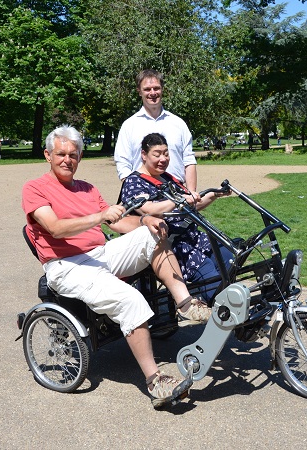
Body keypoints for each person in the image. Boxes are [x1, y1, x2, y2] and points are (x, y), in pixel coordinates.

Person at [21, 125, 211, 406]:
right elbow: (56, 228)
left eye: (73, 154)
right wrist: (99, 217)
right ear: (47, 155)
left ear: (80, 156)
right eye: (61, 154)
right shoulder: (35, 188)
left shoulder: (87, 188)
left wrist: (145, 220)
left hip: (99, 253)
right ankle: (154, 380)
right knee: (130, 299)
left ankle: (185, 303)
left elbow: (119, 222)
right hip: (66, 266)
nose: (67, 160)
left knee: (156, 232)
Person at [120, 132, 233, 303]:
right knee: (209, 273)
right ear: (144, 155)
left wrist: (215, 194)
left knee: (229, 257)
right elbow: (149, 210)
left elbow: (191, 205)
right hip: (170, 244)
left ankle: (239, 310)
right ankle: (225, 310)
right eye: (157, 154)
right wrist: (176, 201)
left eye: (166, 153)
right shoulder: (134, 182)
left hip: (191, 236)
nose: (163, 159)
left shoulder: (168, 178)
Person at [114, 69, 197, 192]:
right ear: (139, 92)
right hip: (144, 196)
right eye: (147, 89)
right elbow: (123, 163)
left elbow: (189, 161)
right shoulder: (129, 125)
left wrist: (191, 193)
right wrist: (133, 190)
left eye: (156, 88)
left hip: (177, 192)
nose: (152, 93)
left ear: (162, 89)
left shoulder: (178, 123)